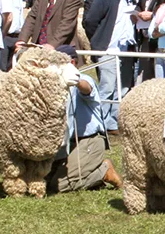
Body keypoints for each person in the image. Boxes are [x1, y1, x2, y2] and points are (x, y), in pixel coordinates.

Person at [47, 45, 123, 193]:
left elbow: (86, 88)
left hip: (89, 140)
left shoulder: (84, 79)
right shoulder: (56, 85)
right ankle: (90, 177)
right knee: (46, 179)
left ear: (72, 63)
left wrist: (74, 79)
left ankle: (104, 171)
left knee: (59, 185)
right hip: (68, 144)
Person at [83, 0, 138, 134]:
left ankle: (113, 122)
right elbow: (90, 21)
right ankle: (99, 122)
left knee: (122, 87)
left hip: (127, 47)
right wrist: (98, 39)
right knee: (107, 87)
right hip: (108, 48)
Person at [133, 0, 159, 82]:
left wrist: (152, 15)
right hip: (145, 38)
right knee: (144, 76)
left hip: (160, 39)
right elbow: (140, 4)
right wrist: (136, 14)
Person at [0, 0, 24, 71]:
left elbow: (20, 16)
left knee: (13, 68)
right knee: (1, 68)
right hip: (3, 36)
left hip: (16, 37)